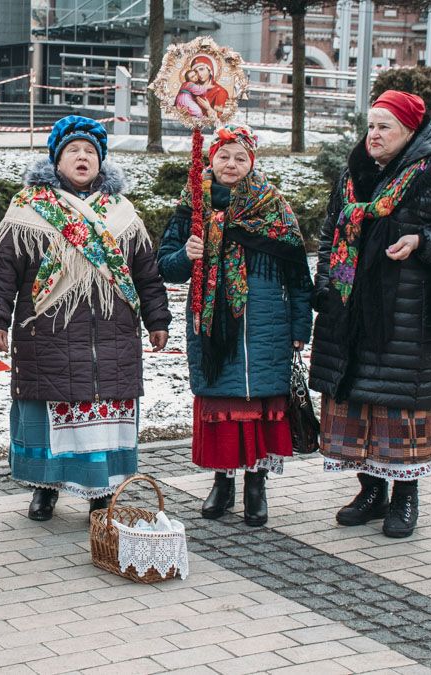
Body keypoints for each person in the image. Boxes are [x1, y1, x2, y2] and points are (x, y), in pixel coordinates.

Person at [310, 90, 431, 538]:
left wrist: (423, 243)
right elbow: (331, 234)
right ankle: (370, 492)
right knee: (358, 406)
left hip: (406, 321)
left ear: (410, 131)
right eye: (370, 125)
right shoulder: (352, 175)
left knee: (398, 413)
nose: (373, 134)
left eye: (384, 126)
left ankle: (405, 498)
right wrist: (327, 287)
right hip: (348, 315)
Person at [0, 115, 172, 521]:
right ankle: (44, 489)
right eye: (74, 150)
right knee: (48, 412)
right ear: (56, 159)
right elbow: (2, 272)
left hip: (112, 333)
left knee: (103, 415)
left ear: (101, 162)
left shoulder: (122, 213)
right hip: (48, 330)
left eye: (90, 151)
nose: (82, 157)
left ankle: (101, 493)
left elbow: (146, 274)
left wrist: (158, 320)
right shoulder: (28, 210)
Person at [157, 124, 312, 527]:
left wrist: (300, 327)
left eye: (240, 157)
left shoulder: (274, 208)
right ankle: (222, 483)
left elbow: (298, 275)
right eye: (223, 156)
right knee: (223, 406)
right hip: (214, 330)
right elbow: (165, 266)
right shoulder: (192, 205)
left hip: (267, 326)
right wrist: (186, 255)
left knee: (259, 407)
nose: (231, 164)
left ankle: (256, 486)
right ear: (210, 160)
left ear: (252, 163)